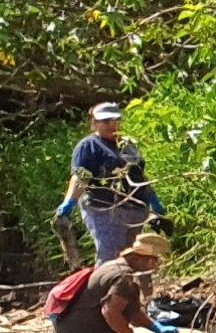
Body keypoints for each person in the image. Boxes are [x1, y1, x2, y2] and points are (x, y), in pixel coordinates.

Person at [61, 102, 165, 265]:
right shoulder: (89, 146)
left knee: (134, 256)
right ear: (94, 123)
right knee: (110, 256)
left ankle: (130, 290)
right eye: (106, 121)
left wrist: (154, 200)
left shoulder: (126, 146)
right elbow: (81, 176)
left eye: (114, 120)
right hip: (103, 210)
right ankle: (102, 288)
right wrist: (68, 203)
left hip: (135, 209)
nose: (112, 125)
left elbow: (139, 175)